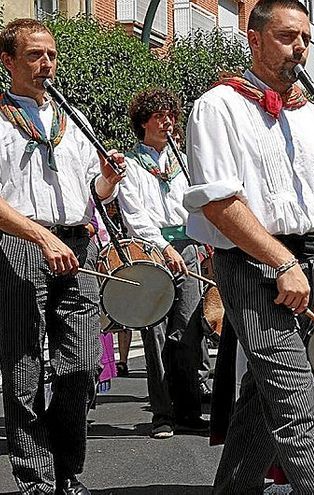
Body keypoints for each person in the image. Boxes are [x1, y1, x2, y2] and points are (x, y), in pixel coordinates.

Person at [182, 0, 314, 492]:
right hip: (256, 264)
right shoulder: (218, 107)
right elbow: (219, 205)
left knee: (260, 398)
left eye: (305, 40)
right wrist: (282, 261)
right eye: (287, 37)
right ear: (253, 39)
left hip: (309, 261)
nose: (300, 48)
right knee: (297, 406)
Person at [0, 18, 126, 494]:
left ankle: (66, 466)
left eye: (51, 54)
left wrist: (108, 182)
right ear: (8, 62)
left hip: (76, 242)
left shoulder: (74, 121)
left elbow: (84, 193)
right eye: (34, 55)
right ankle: (38, 480)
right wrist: (39, 237)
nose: (46, 63)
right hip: (19, 245)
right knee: (24, 368)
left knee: (82, 366)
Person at [116, 88, 209, 439]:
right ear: (143, 122)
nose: (168, 121)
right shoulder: (130, 165)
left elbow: (196, 203)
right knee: (154, 332)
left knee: (187, 328)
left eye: (171, 115)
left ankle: (189, 408)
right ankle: (162, 413)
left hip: (187, 248)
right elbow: (135, 216)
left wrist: (204, 239)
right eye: (159, 116)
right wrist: (161, 246)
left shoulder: (183, 161)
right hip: (150, 251)